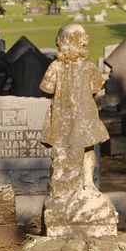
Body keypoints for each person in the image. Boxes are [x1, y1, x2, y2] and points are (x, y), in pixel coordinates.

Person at [40, 23, 108, 195]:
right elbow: (95, 88)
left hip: (62, 115)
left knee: (62, 149)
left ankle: (63, 182)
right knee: (87, 149)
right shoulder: (89, 68)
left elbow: (47, 88)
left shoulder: (55, 67)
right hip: (85, 115)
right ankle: (87, 182)